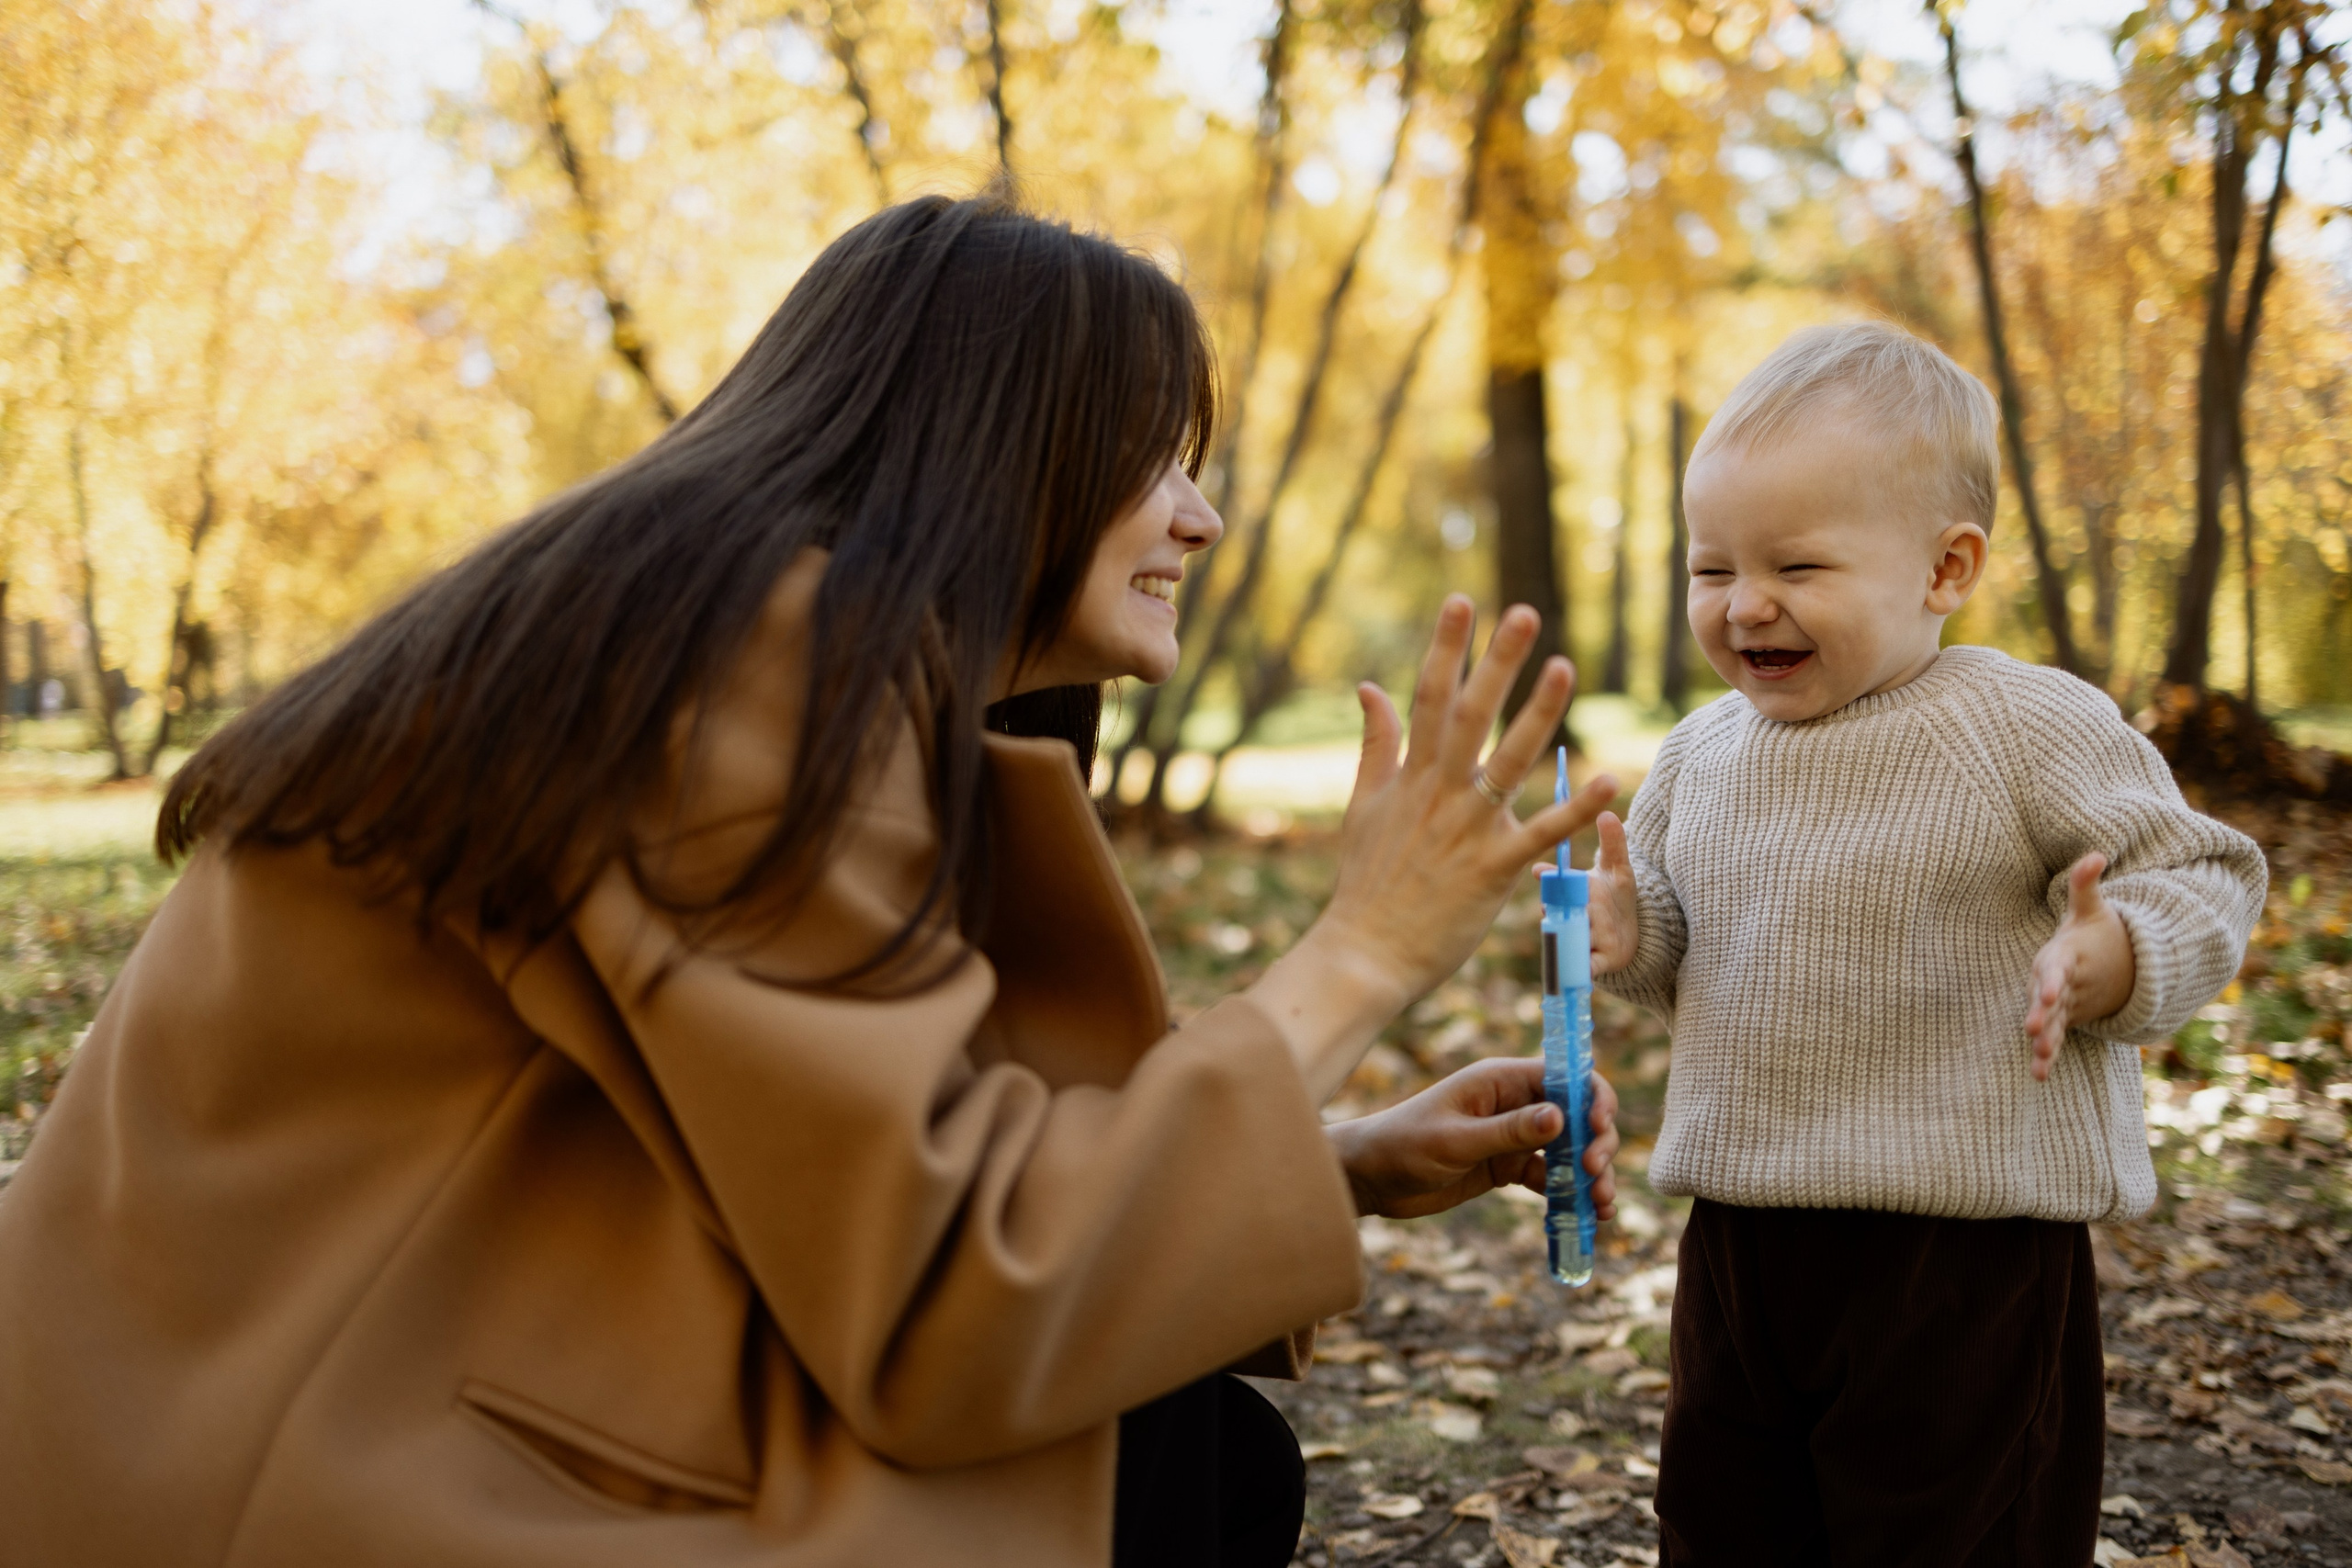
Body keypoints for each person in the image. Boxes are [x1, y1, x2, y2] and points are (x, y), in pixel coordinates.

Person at [0, 195, 1623, 1568]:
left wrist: (1337, 1162)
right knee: (1169, 1473)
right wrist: (1365, 947)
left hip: (334, 1384)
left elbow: (848, 1159)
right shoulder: (733, 659)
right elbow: (943, 1300)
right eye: (1154, 454)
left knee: (1192, 1447)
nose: (1198, 518)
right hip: (282, 1475)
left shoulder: (742, 630)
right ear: (998, 441)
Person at [1586, 320, 2268, 1565]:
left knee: (1951, 1533)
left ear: (1946, 569)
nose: (1746, 605)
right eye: (1711, 568)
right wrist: (1630, 936)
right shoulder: (1701, 754)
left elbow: (2202, 872)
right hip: (1742, 1236)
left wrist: (2117, 954)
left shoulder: (2022, 725)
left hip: (1962, 1251)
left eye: (1798, 566)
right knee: (1722, 1518)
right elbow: (1682, 951)